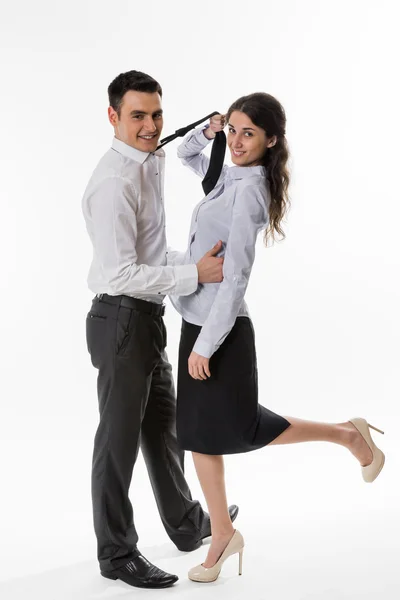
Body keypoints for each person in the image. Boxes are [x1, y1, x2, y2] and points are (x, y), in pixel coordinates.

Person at [168, 93, 386, 583]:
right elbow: (183, 155)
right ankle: (223, 533)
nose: (238, 141)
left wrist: (206, 344)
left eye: (249, 133)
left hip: (218, 332)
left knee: (239, 430)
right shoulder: (230, 170)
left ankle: (348, 436)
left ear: (272, 140)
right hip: (196, 319)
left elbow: (237, 277)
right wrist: (209, 131)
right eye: (234, 131)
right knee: (200, 436)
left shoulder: (249, 191)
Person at [81, 70, 239, 590]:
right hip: (121, 319)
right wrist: (196, 273)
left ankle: (187, 523)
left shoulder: (149, 159)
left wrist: (206, 133)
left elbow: (149, 254)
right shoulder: (113, 184)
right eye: (136, 116)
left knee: (164, 432)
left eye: (155, 115)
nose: (150, 126)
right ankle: (116, 553)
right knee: (118, 443)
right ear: (113, 117)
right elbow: (123, 271)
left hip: (146, 319)